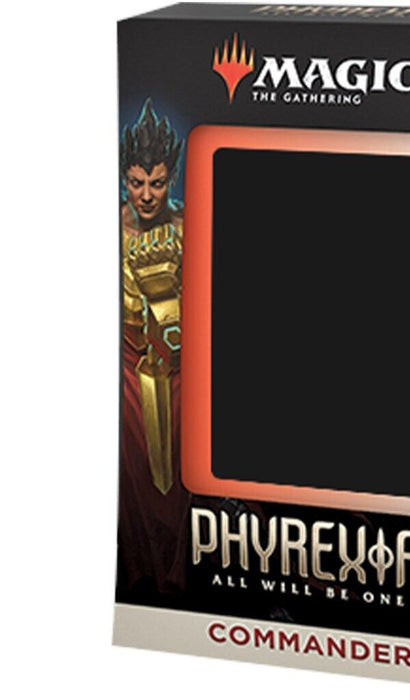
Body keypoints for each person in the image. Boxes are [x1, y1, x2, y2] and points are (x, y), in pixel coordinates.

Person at [118, 98, 189, 597]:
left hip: (183, 372)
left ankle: (180, 582)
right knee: (132, 478)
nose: (146, 194)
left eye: (158, 183)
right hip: (124, 372)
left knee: (181, 479)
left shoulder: (190, 226)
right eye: (137, 181)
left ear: (172, 180)